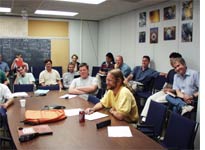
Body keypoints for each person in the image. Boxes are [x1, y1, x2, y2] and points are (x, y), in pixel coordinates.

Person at [140, 52, 182, 121]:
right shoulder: (171, 72)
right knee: (150, 98)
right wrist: (164, 88)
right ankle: (144, 117)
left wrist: (169, 90)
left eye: (172, 60)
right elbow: (167, 83)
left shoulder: (180, 72)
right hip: (166, 91)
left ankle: (153, 119)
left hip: (174, 94)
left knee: (157, 101)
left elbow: (179, 89)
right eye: (170, 60)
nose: (171, 62)